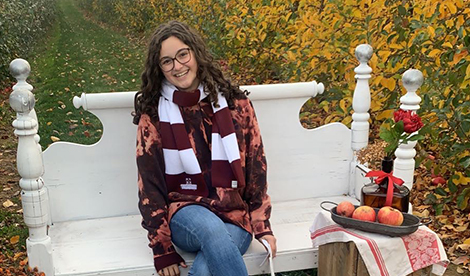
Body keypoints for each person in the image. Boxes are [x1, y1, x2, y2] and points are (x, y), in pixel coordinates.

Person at [133, 20, 276, 276]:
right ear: (160, 69)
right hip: (184, 213)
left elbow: (257, 168)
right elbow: (150, 186)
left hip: (234, 214)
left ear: (196, 53)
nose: (177, 66)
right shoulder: (154, 115)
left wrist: (262, 225)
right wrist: (163, 248)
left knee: (204, 269)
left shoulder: (236, 105)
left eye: (182, 55)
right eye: (167, 61)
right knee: (210, 228)